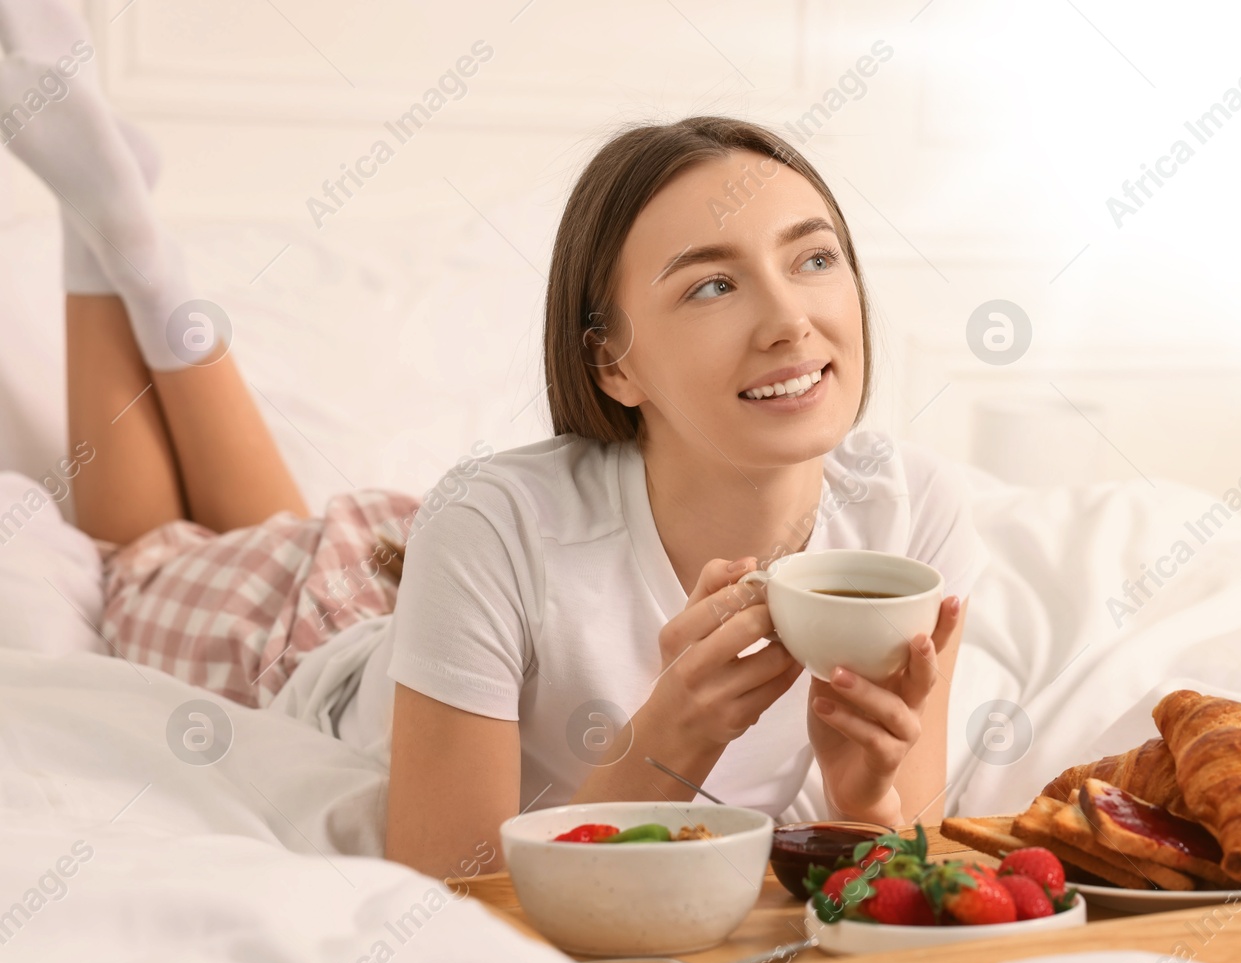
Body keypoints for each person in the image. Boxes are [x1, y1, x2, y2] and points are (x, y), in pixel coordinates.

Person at [0, 1, 990, 880]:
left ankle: (120, 222)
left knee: (279, 520)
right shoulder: (492, 520)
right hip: (324, 632)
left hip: (431, 572)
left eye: (814, 257)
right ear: (612, 365)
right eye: (711, 284)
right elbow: (453, 896)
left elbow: (908, 850)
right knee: (139, 557)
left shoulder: (915, 512)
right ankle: (114, 229)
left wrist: (868, 809)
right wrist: (671, 736)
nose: (791, 319)